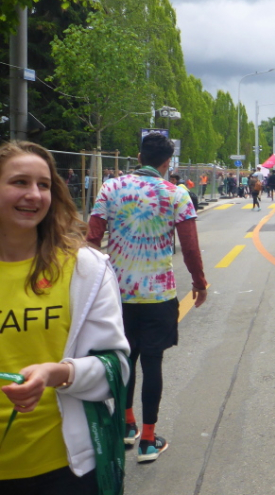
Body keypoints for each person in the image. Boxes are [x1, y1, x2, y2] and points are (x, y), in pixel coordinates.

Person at [0, 141, 130, 493]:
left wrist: (58, 373)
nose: (33, 194)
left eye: (43, 185)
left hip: (65, 468)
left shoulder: (85, 269)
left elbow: (116, 370)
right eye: (19, 182)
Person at [88, 133, 208, 464]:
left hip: (117, 295)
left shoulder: (110, 188)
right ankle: (149, 441)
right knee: (153, 362)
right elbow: (190, 247)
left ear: (139, 157)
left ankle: (127, 426)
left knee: (125, 359)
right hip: (158, 294)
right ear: (168, 162)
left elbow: (92, 240)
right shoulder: (177, 194)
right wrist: (199, 283)